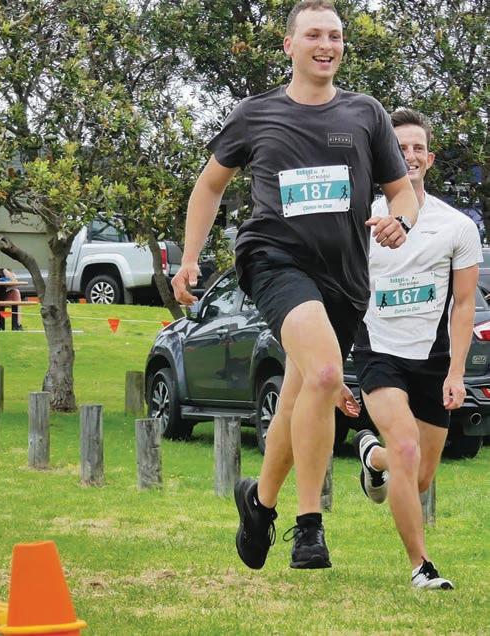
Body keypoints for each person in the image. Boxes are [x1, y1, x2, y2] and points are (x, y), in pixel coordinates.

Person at [172, 0, 419, 571]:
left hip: (346, 278)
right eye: (313, 35)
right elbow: (209, 186)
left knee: (300, 388)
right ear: (289, 45)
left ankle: (259, 503)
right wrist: (189, 259)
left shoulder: (366, 114)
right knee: (327, 374)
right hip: (273, 260)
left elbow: (401, 192)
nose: (326, 45)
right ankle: (309, 526)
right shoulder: (256, 115)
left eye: (335, 35)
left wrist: (400, 221)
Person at [351, 109, 481, 589]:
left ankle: (373, 458)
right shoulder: (361, 219)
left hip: (432, 360)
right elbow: (339, 293)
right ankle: (421, 567)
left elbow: (464, 304)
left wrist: (457, 372)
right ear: (384, 154)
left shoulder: (457, 226)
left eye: (417, 148)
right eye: (399, 147)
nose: (409, 155)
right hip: (378, 352)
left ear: (430, 157)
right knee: (405, 446)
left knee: (419, 475)